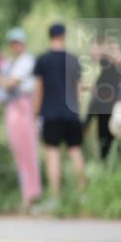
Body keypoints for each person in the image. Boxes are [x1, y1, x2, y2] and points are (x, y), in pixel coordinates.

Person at [0, 27, 42, 210]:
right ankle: (28, 195)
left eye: (18, 42)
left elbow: (8, 84)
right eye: (12, 43)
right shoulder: (12, 64)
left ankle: (33, 195)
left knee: (28, 151)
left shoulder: (26, 61)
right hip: (13, 108)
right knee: (19, 153)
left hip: (23, 107)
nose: (15, 46)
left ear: (23, 43)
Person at [33, 23, 86, 202]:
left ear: (50, 37)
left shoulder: (43, 60)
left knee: (52, 153)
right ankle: (82, 195)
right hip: (72, 113)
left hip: (50, 113)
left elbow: (38, 91)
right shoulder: (74, 59)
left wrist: (35, 114)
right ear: (64, 36)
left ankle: (55, 197)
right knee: (76, 151)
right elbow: (79, 90)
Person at [85, 37, 121, 161]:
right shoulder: (108, 70)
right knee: (106, 149)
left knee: (115, 148)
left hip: (115, 115)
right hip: (105, 114)